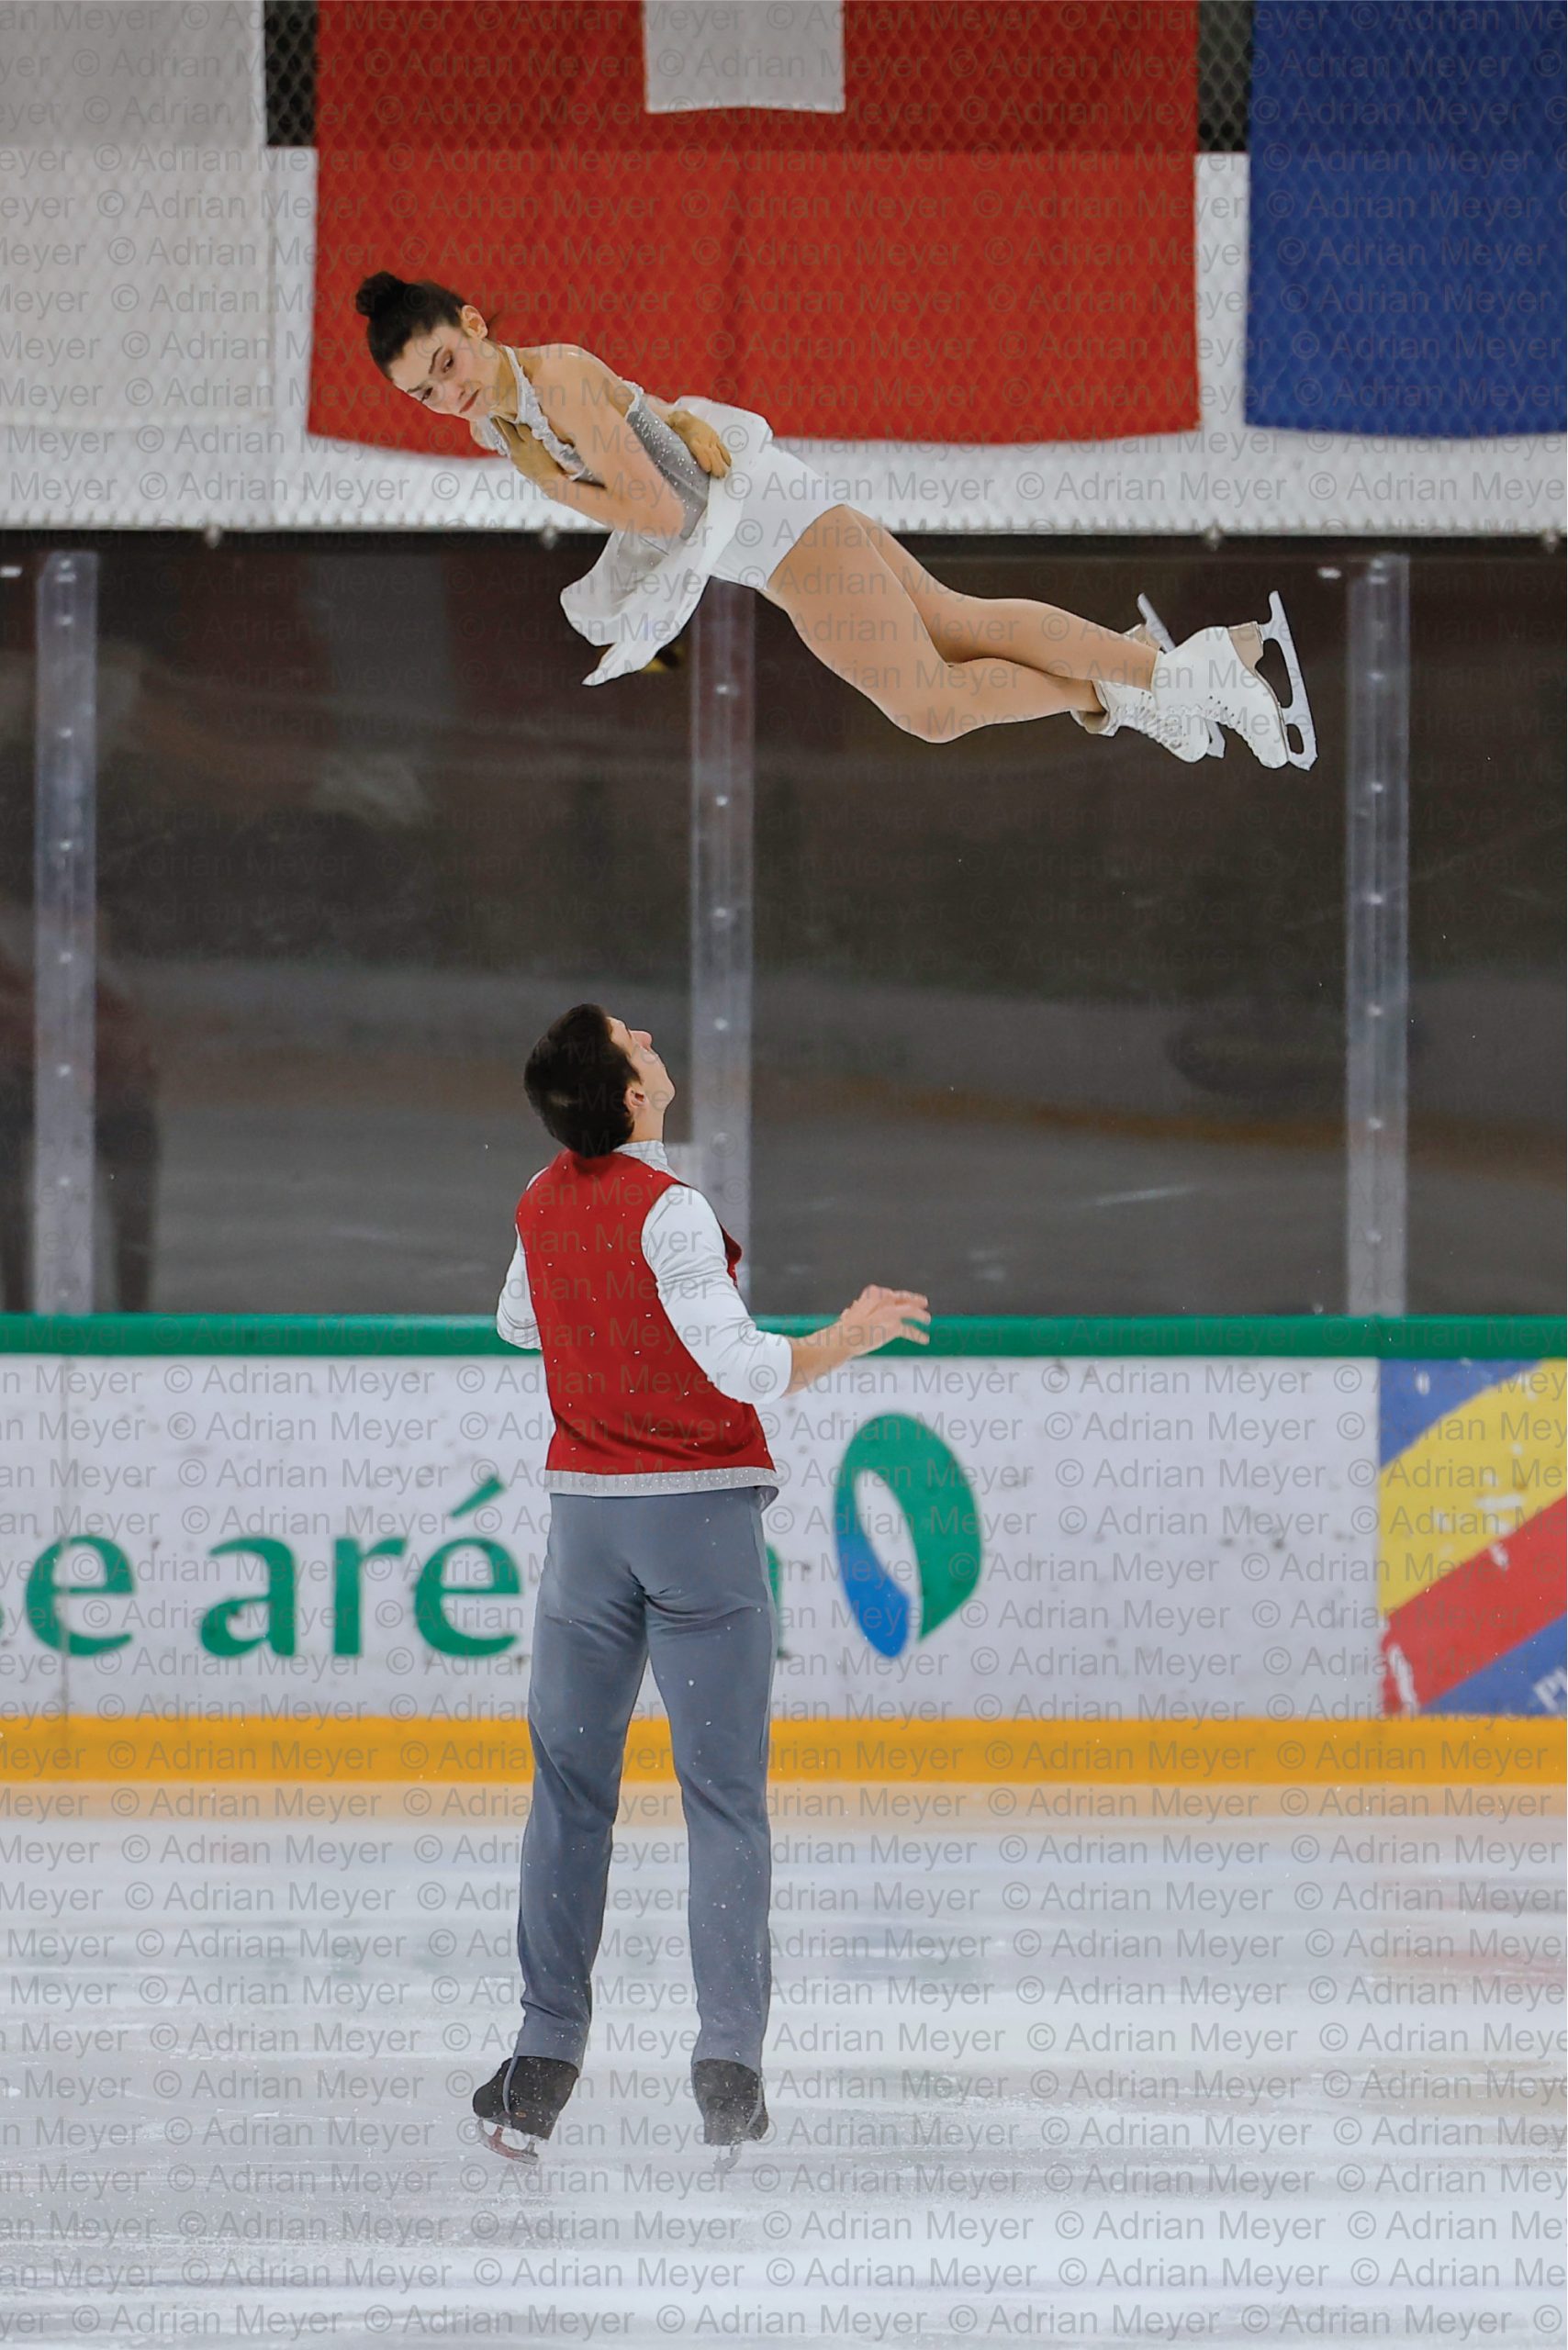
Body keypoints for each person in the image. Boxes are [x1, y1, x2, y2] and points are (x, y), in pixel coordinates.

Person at [474, 1003, 930, 2162]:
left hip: (585, 1529)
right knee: (722, 1797)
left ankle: (539, 2063)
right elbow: (747, 1365)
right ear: (631, 1096)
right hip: (698, 1525)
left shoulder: (539, 1199)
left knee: (568, 1794)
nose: (657, 1050)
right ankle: (727, 2064)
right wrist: (846, 1335)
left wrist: (602, 1323)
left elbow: (518, 1321)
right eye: (640, 1046)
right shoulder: (669, 1210)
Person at [356, 274, 1316, 769]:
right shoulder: (507, 422)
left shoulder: (553, 386)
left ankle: (1163, 679)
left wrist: (554, 487)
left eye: (444, 362)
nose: (447, 393)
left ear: (473, 325)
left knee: (933, 706)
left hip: (770, 527)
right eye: (422, 393)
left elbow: (654, 509)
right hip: (768, 529)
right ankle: (1171, 670)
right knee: (957, 626)